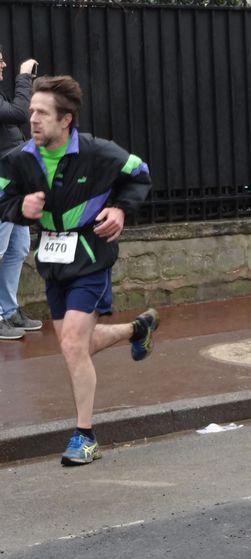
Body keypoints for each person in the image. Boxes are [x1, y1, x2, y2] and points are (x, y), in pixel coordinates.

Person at [0, 76, 159, 466]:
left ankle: (85, 437)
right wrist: (20, 208)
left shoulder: (97, 152)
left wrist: (120, 209)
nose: (32, 119)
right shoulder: (20, 158)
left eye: (42, 113)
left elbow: (140, 173)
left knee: (72, 344)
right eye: (31, 111)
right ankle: (136, 330)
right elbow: (2, 197)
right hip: (53, 261)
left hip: (91, 255)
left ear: (65, 119)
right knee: (78, 345)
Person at [0, 47, 41, 340]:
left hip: (13, 181)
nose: (3, 63)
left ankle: (9, 310)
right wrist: (24, 77)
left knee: (18, 247)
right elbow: (17, 113)